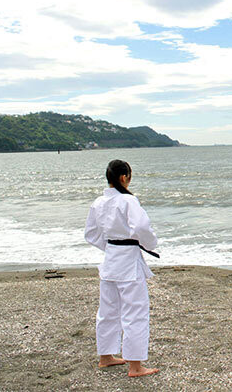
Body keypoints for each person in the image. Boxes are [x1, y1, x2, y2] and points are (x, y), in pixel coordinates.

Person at [85, 159, 160, 377]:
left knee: (108, 310)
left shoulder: (99, 202)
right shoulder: (128, 200)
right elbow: (142, 227)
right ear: (124, 177)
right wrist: (150, 244)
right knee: (135, 311)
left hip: (110, 259)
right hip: (127, 261)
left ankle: (105, 357)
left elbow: (91, 234)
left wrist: (110, 247)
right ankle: (135, 366)